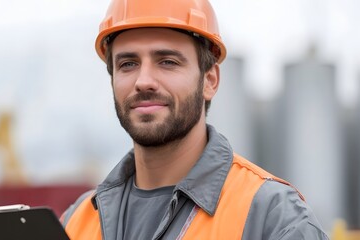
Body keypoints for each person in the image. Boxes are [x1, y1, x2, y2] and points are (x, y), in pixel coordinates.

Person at [61, 0, 329, 239]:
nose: (144, 81)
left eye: (167, 61)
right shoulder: (77, 222)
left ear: (209, 81)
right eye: (128, 64)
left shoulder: (272, 218)